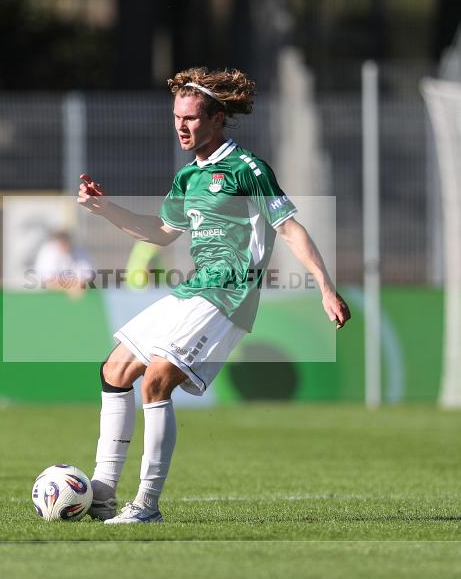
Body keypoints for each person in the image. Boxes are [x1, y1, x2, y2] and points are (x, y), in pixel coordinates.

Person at [77, 67, 350, 524]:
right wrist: (103, 207)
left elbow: (289, 228)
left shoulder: (248, 169)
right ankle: (102, 491)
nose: (182, 126)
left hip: (230, 293)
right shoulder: (189, 178)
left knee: (157, 381)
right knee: (115, 370)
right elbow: (160, 234)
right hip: (196, 288)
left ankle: (146, 505)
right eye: (177, 117)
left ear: (218, 119)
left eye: (191, 118)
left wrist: (325, 286)